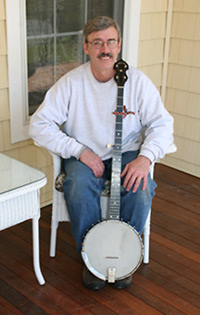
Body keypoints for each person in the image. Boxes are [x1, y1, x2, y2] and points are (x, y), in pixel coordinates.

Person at [29, 16, 174, 290]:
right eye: (97, 43)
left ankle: (125, 252)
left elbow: (163, 124)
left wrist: (146, 157)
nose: (104, 49)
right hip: (85, 156)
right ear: (86, 47)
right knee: (78, 185)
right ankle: (92, 257)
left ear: (119, 46)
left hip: (129, 153)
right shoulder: (72, 83)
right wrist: (78, 150)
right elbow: (39, 124)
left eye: (110, 41)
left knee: (141, 188)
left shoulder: (138, 82)